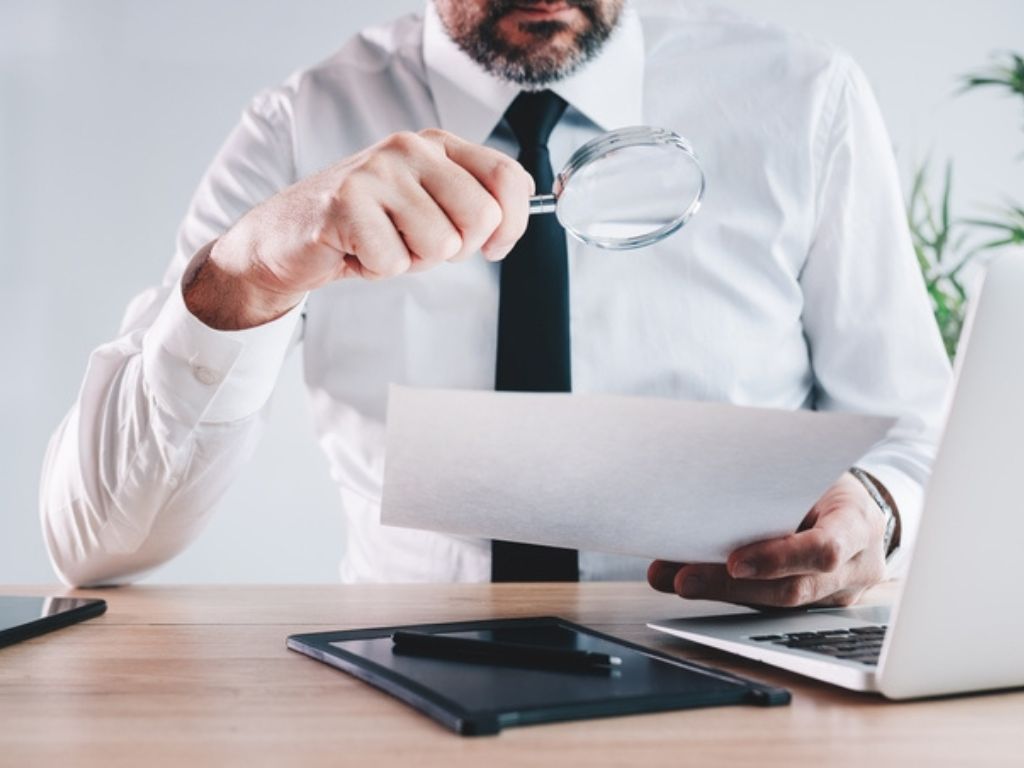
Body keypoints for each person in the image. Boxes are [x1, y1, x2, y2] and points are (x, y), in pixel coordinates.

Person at [40, 0, 951, 606]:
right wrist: (246, 278)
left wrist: (875, 510)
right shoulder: (296, 126)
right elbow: (98, 544)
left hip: (738, 675)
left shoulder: (804, 98)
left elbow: (915, 430)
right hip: (401, 684)